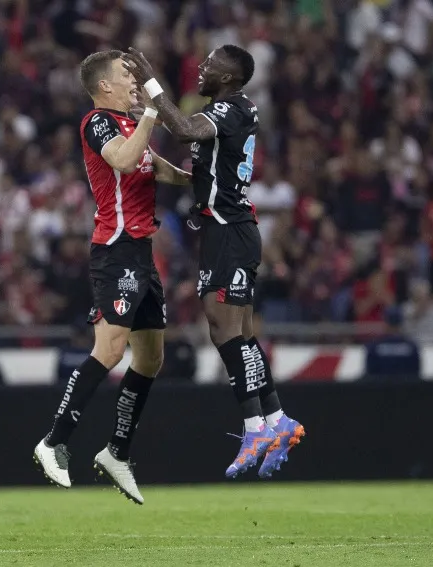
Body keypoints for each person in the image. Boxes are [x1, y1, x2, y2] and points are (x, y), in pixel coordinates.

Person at [122, 46, 304, 479]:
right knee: (239, 331)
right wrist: (145, 108)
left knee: (223, 327)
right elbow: (197, 151)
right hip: (230, 230)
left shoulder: (229, 109)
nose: (200, 68)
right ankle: (276, 419)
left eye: (209, 65)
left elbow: (184, 129)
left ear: (229, 77)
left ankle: (254, 426)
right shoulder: (232, 109)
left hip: (230, 232)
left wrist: (151, 83)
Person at [33, 50, 191, 505]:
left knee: (151, 359)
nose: (136, 79)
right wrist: (152, 116)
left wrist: (197, 180)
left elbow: (154, 168)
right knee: (111, 347)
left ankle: (116, 452)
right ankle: (53, 440)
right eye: (128, 74)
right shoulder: (97, 122)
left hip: (142, 254)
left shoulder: (132, 124)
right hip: (115, 249)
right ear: (105, 86)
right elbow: (123, 161)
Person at [364, 306, 422, 380]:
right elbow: (416, 375)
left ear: (385, 323)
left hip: (380, 390)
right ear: (401, 323)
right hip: (405, 389)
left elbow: (370, 375)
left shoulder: (374, 347)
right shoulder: (412, 347)